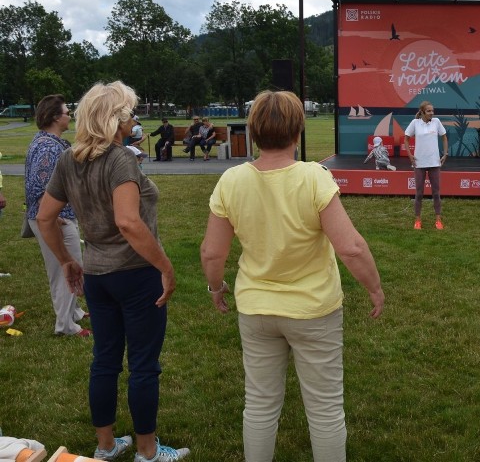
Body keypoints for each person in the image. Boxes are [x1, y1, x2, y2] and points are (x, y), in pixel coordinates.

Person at [200, 90, 384, 462]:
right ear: (298, 132)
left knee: (260, 405)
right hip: (314, 310)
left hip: (256, 309)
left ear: (253, 132)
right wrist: (375, 288)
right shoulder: (314, 177)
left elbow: (211, 252)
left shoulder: (232, 181)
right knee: (325, 410)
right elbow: (351, 247)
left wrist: (215, 287)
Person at [35, 81, 189, 462]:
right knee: (142, 365)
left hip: (99, 276)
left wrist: (69, 261)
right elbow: (129, 223)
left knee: (104, 360)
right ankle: (147, 452)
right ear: (117, 119)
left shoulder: (69, 158)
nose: (135, 120)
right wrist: (165, 267)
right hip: (136, 275)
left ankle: (106, 446)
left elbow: (44, 216)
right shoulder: (120, 159)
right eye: (131, 114)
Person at [24, 95, 89, 337]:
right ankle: (65, 326)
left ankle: (74, 313)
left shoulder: (48, 142)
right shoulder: (49, 147)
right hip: (55, 219)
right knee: (68, 268)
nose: (69, 115)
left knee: (65, 267)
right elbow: (40, 184)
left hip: (56, 217)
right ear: (54, 117)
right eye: (66, 112)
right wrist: (54, 216)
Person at [404, 101, 449, 230]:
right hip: (419, 163)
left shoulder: (437, 122)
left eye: (432, 111)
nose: (432, 113)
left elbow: (444, 137)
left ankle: (438, 219)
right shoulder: (415, 123)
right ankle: (417, 220)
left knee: (436, 193)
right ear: (423, 112)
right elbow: (406, 139)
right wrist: (410, 155)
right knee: (419, 193)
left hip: (434, 162)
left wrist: (445, 153)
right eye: (429, 111)